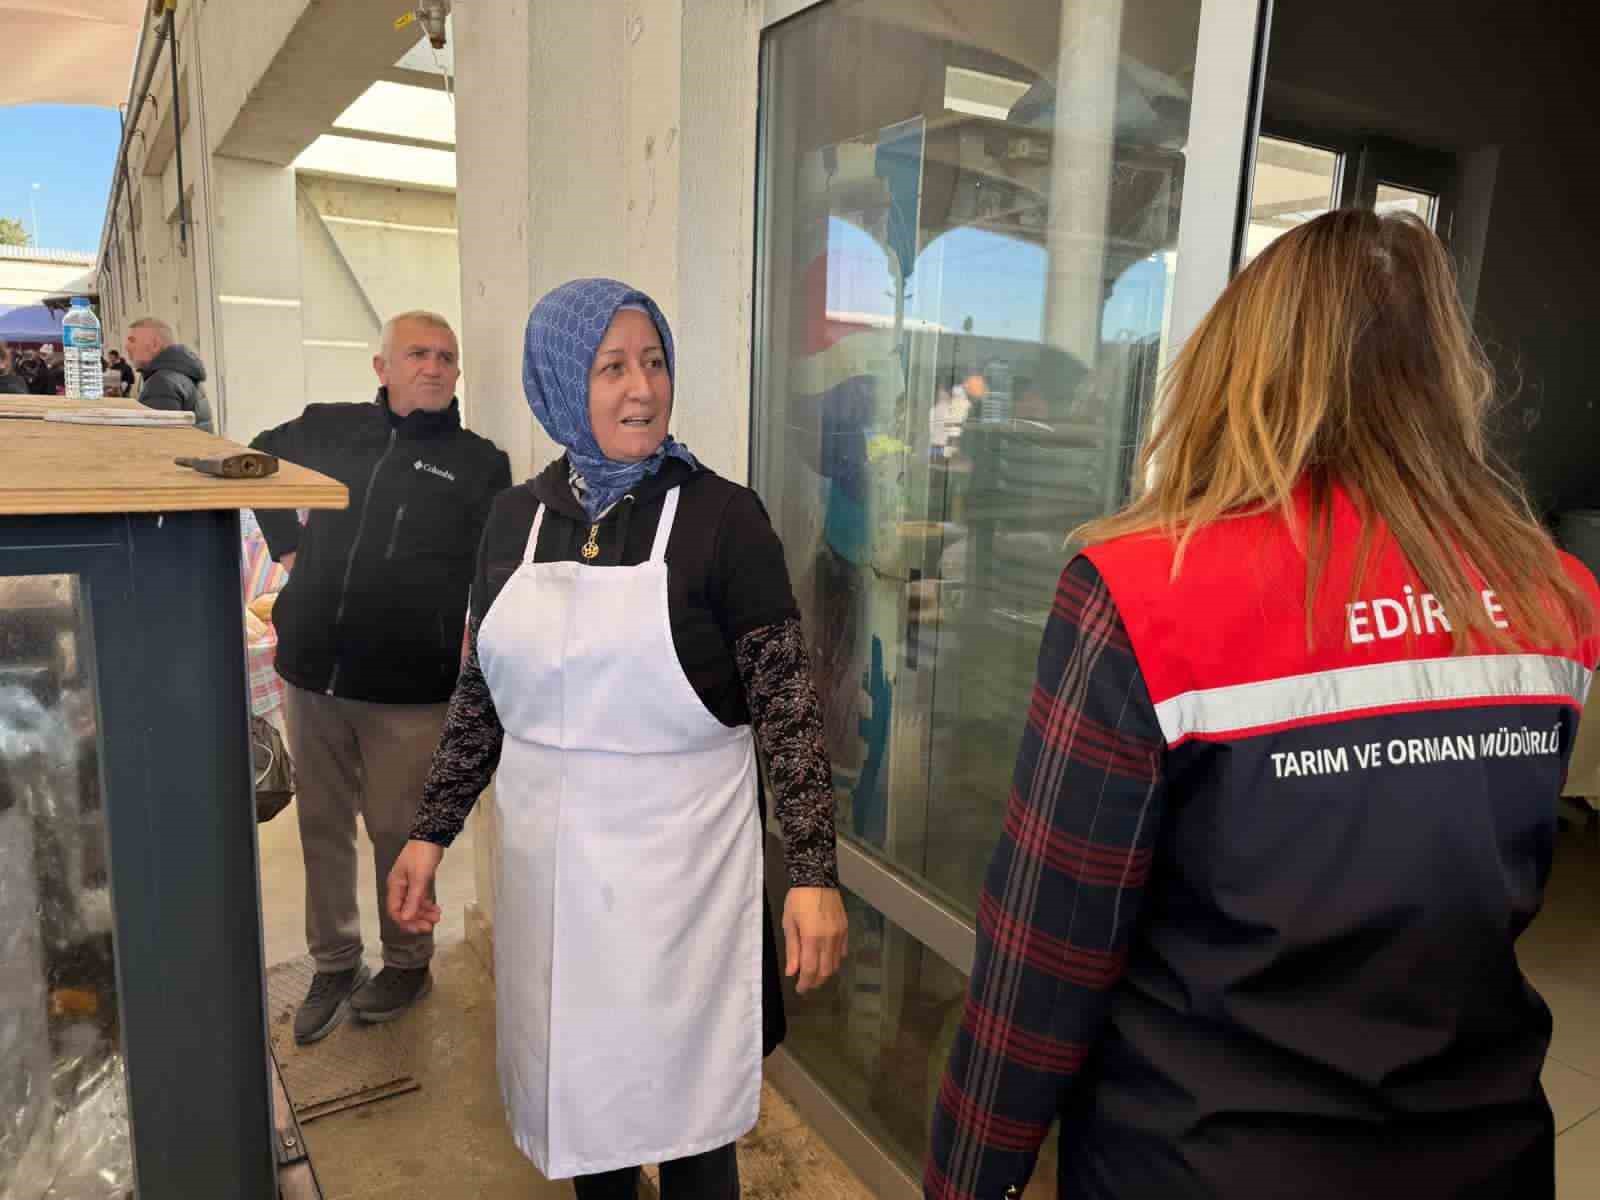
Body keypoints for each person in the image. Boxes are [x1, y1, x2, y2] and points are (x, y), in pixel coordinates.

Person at [926, 210, 1600, 1200]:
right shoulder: (1553, 595)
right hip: (1478, 1154)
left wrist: (968, 1178)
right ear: (1442, 374)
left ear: (1240, 364)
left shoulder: (1143, 592)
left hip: (1200, 1162)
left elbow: (1047, 953)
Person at [386, 279, 849, 1197]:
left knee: (690, 1128)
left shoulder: (723, 519)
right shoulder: (514, 521)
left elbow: (788, 710)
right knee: (581, 1116)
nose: (641, 389)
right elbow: (481, 696)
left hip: (680, 896)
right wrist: (429, 831)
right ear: (561, 382)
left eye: (654, 362)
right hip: (553, 894)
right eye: (610, 367)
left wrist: (812, 874)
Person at [248, 311, 511, 1045]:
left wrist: (480, 647)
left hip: (410, 689)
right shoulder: (332, 427)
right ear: (382, 367)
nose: (434, 366)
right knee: (321, 826)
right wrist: (289, 546)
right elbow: (256, 455)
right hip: (313, 675)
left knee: (400, 830)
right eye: (418, 353)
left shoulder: (478, 462)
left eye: (447, 357)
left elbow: (495, 568)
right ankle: (334, 960)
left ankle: (407, 960)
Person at [124, 317, 213, 431]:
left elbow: (158, 441)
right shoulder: (182, 373)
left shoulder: (161, 382)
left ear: (155, 344)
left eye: (132, 340)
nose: (126, 347)